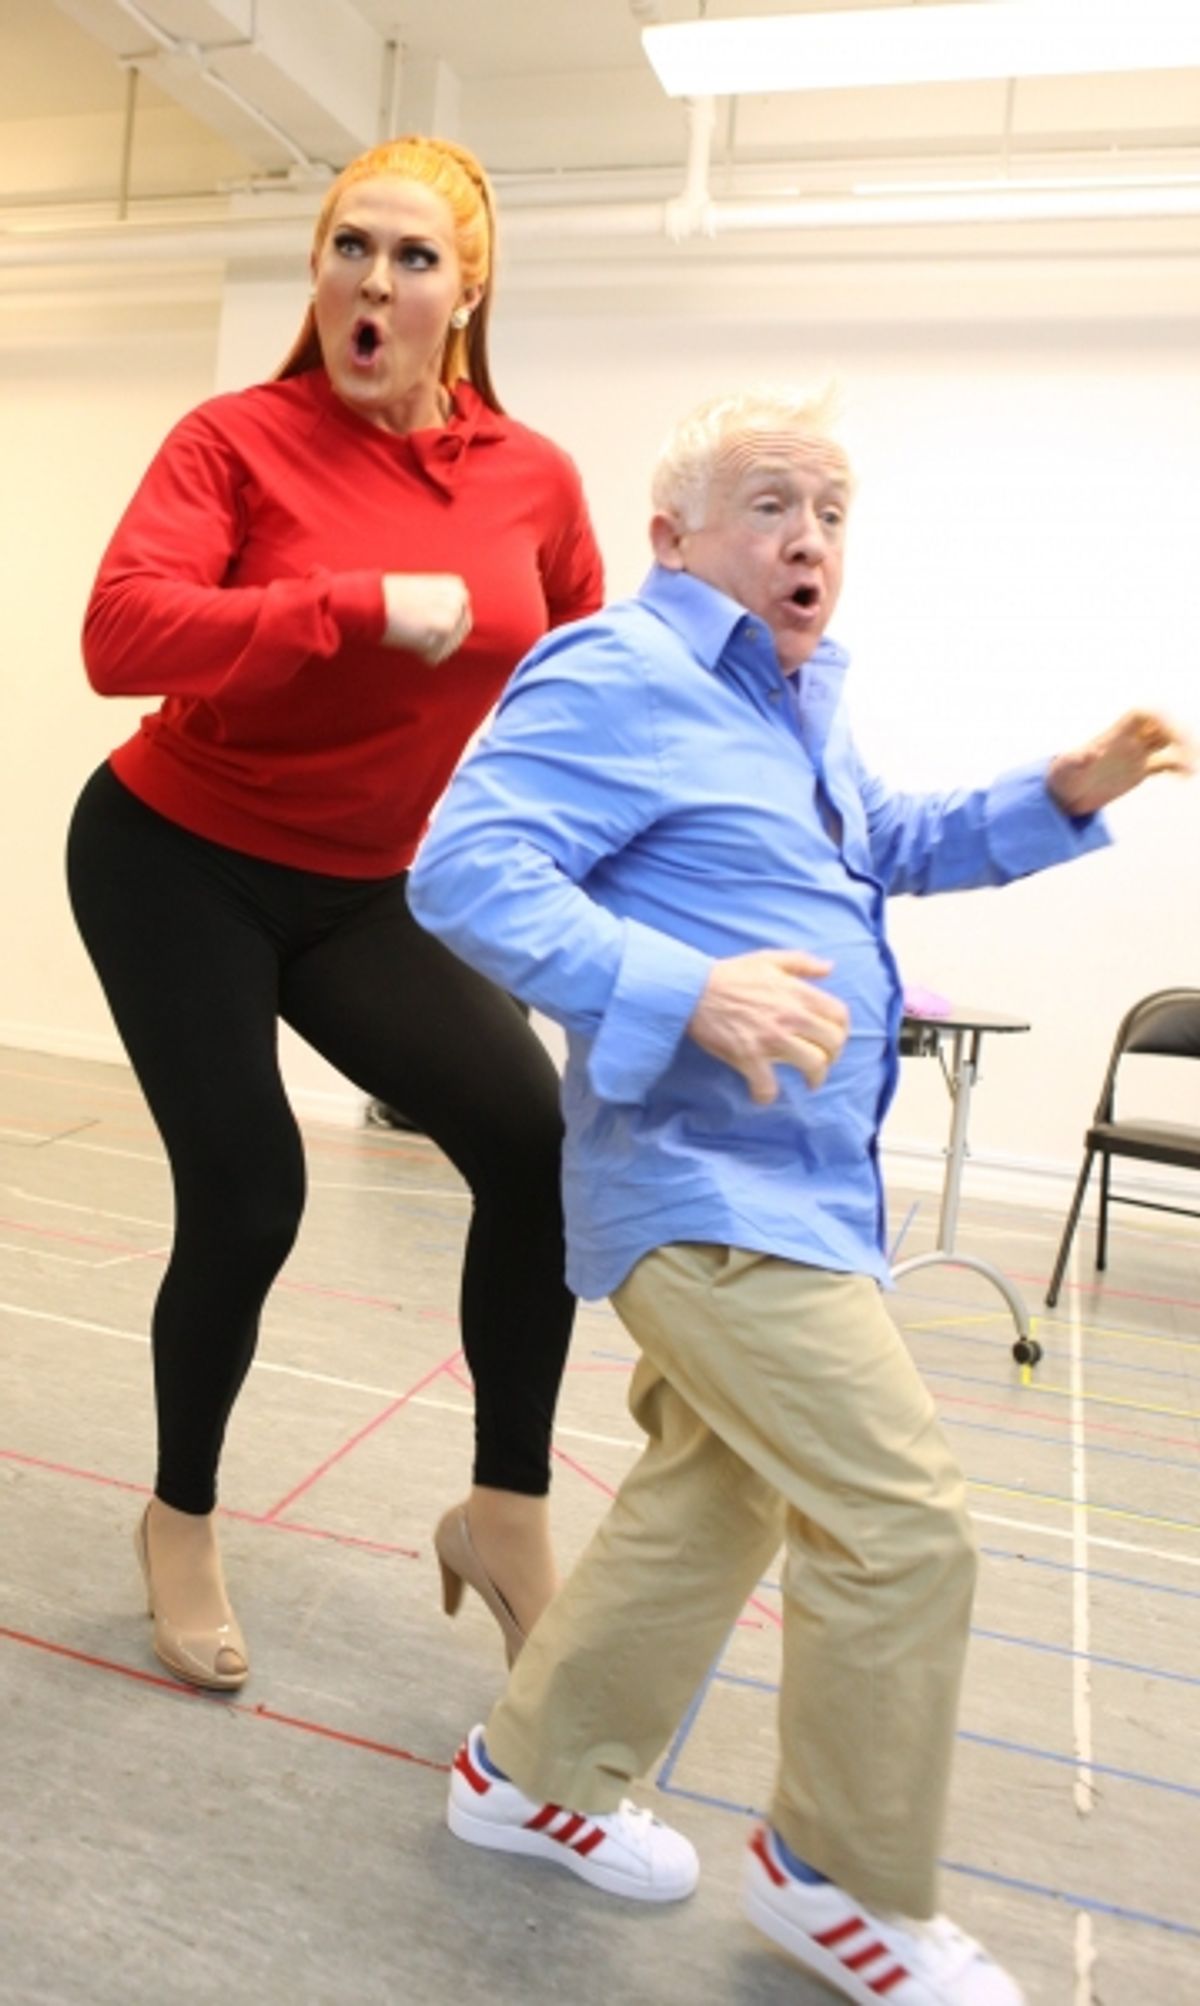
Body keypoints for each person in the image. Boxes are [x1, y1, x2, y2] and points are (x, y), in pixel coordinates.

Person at [407, 385, 1194, 2005]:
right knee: (901, 1521)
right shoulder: (616, 669)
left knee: (721, 1494)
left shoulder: (794, 704)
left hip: (798, 1186)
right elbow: (464, 869)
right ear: (673, 534)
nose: (810, 536)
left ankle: (529, 1776)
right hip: (696, 1188)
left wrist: (1065, 792)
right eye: (773, 502)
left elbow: (886, 838)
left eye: (832, 511)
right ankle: (838, 1878)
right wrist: (679, 984)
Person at [66, 134, 604, 1693]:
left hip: (373, 886)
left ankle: (504, 1511)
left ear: (468, 285)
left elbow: (582, 687)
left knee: (536, 1143)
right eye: (349, 248)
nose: (375, 282)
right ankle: (179, 1515)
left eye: (413, 257)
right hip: (178, 855)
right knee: (250, 1193)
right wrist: (344, 604)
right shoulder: (235, 440)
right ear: (320, 269)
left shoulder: (533, 478)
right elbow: (120, 631)